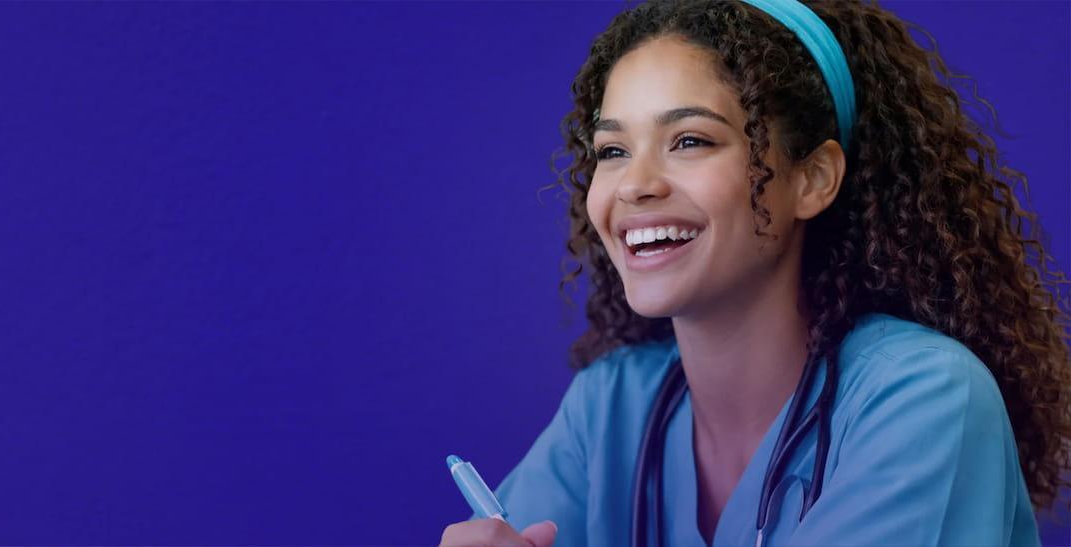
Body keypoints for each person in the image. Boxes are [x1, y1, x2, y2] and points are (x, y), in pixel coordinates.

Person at [439, 0, 1071, 546]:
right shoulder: (608, 410)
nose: (634, 185)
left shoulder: (927, 398)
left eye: (690, 140)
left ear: (812, 179)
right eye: (613, 151)